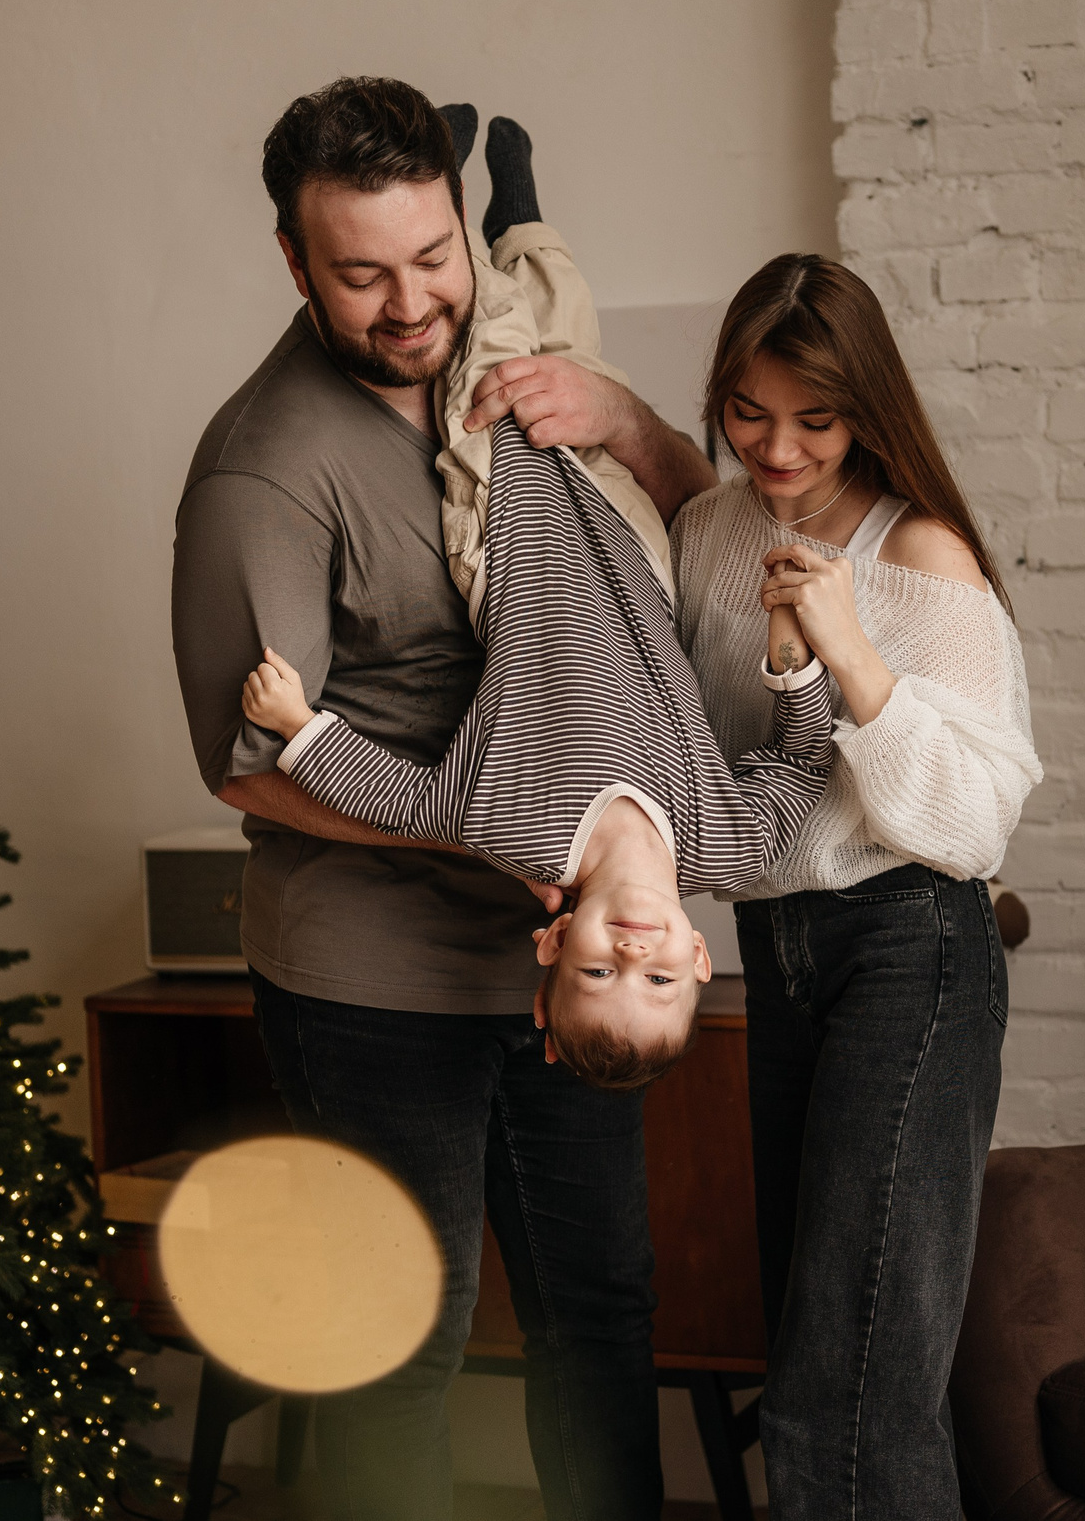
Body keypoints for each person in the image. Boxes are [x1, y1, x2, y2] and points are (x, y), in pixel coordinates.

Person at [169, 76, 714, 1521]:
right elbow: (246, 762)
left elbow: (698, 540)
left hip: (562, 972)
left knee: (600, 1314)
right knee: (394, 1340)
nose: (412, 305)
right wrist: (491, 826)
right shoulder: (263, 469)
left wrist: (628, 417)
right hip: (375, 980)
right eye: (362, 275)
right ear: (295, 262)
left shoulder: (511, 355)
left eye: (434, 259)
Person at [236, 205, 833, 1084]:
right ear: (700, 958)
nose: (633, 952)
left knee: (499, 367)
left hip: (511, 534)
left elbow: (401, 799)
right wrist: (793, 662)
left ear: (554, 939)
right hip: (632, 552)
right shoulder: (728, 845)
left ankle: (459, 234)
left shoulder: (514, 829)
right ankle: (523, 214)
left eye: (597, 970)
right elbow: (805, 762)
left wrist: (300, 729)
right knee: (578, 367)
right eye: (659, 975)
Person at [671, 254, 1044, 1518]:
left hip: (910, 948)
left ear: (865, 409)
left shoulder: (920, 549)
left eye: (814, 420)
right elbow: (697, 745)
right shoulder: (713, 531)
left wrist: (853, 657)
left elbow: (977, 815)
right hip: (773, 947)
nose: (777, 449)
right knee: (817, 1361)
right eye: (747, 411)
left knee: (855, 1388)